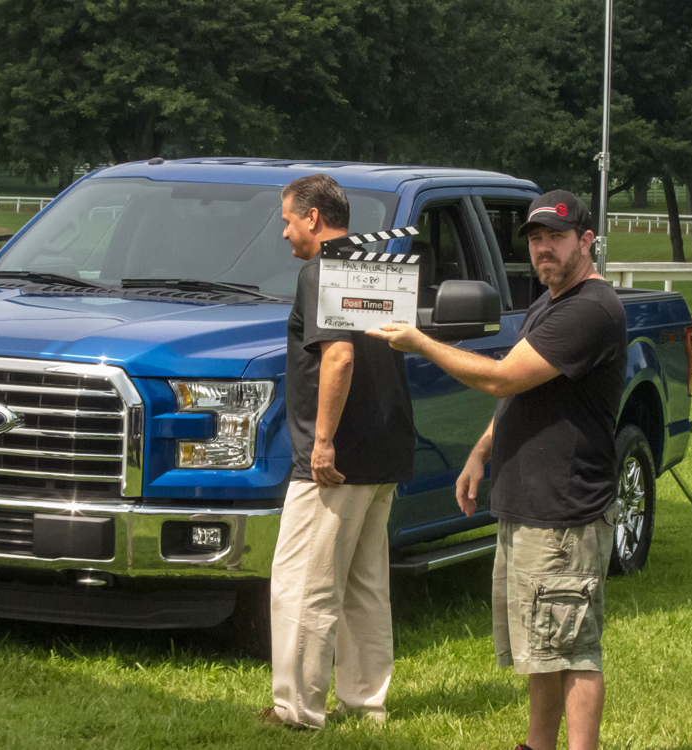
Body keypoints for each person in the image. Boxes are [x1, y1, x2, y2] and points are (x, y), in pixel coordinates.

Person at [367, 190, 627, 750]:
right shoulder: (550, 302)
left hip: (564, 511)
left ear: (586, 241)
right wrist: (482, 451)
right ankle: (537, 745)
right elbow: (523, 396)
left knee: (574, 646)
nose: (543, 249)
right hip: (532, 502)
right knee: (543, 645)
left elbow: (503, 377)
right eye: (535, 239)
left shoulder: (589, 309)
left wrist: (420, 342)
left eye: (555, 238)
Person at [262, 173, 415, 730]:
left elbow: (340, 358)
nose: (284, 234)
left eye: (286, 220)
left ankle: (297, 711)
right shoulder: (376, 270)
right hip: (387, 450)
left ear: (313, 218)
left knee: (304, 584)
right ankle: (366, 703)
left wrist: (322, 441)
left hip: (338, 460)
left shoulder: (317, 272)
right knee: (365, 587)